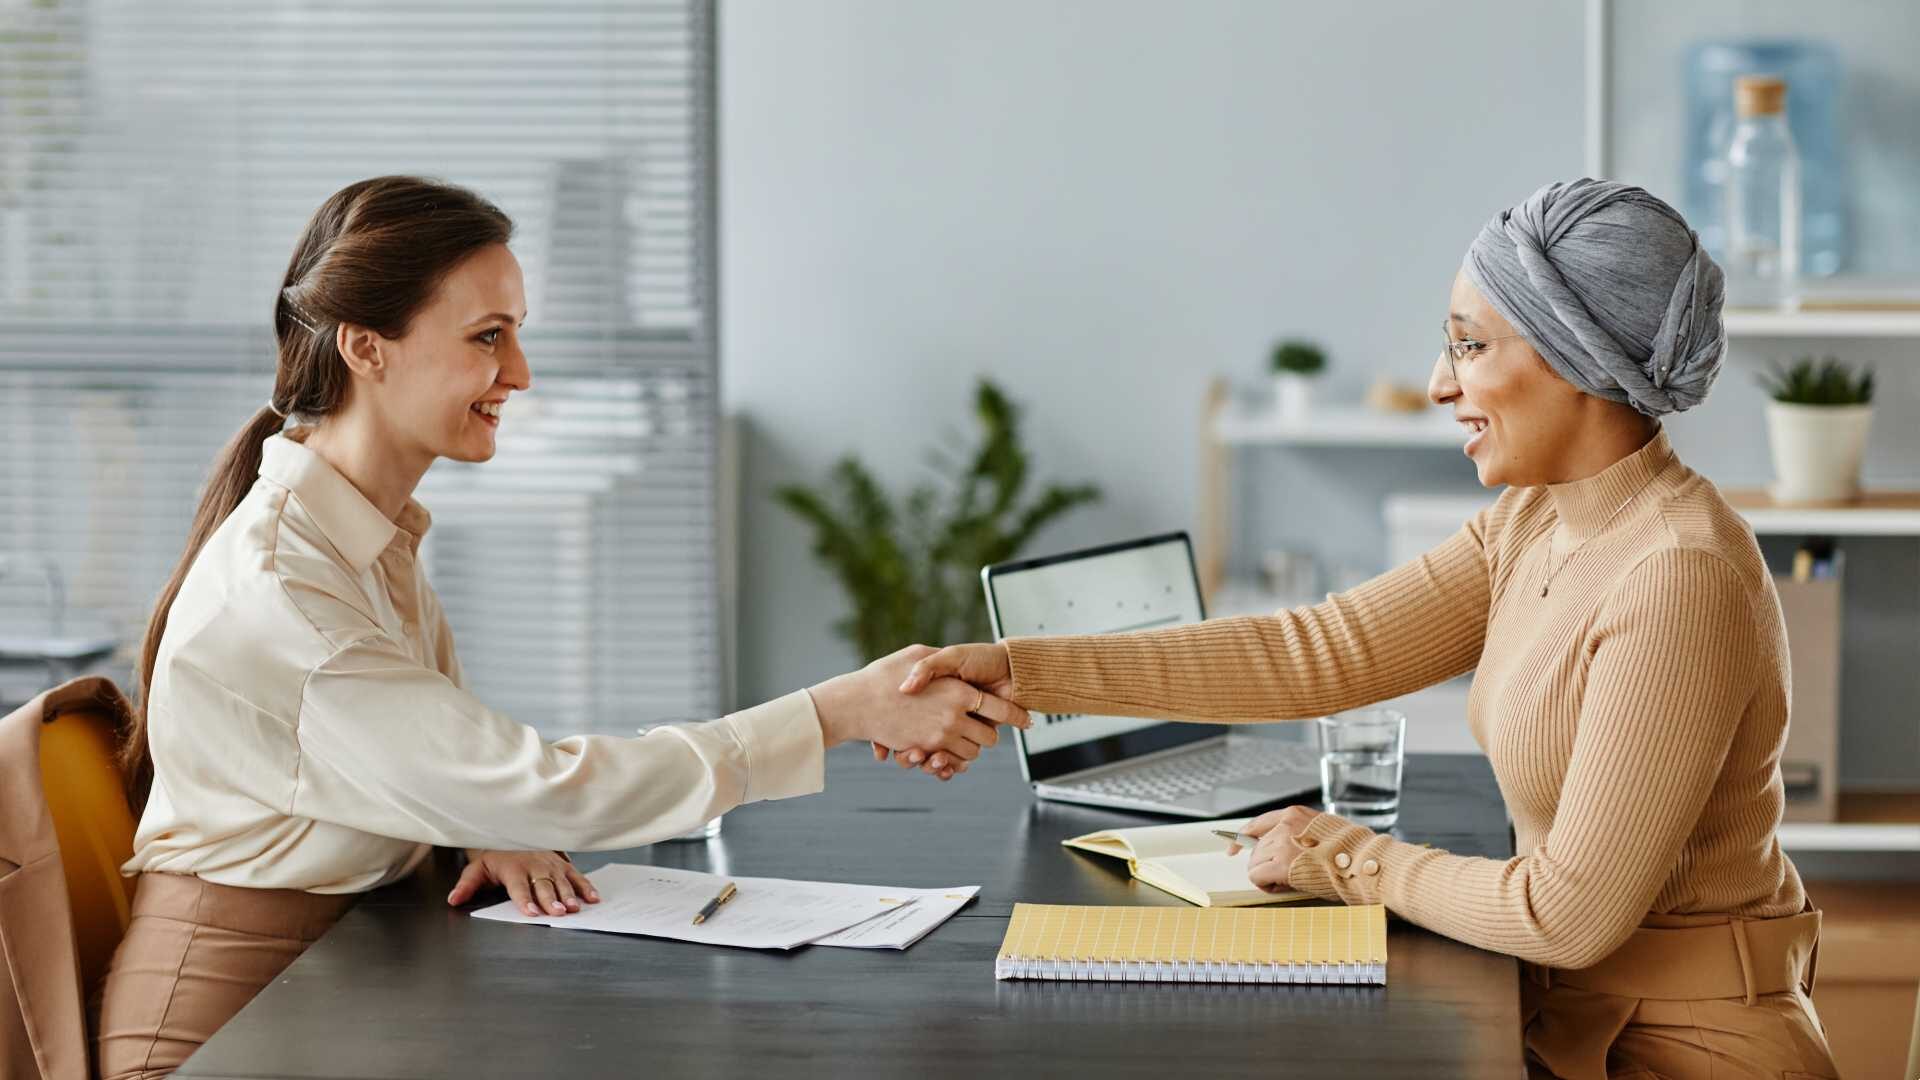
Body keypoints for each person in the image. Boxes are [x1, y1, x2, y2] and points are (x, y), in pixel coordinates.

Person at [93, 175, 1029, 1080]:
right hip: (226, 1028)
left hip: (335, 971)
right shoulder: (285, 595)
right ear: (366, 348)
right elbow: (538, 785)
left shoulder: (365, 538)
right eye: (486, 337)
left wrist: (467, 819)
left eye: (517, 335)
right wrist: (835, 712)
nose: (520, 373)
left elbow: (408, 767)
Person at [899, 179, 1839, 1079]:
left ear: (1578, 359)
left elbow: (1568, 914)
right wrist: (1025, 670)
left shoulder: (1679, 575)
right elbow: (1315, 650)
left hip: (1692, 1050)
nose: (1439, 382)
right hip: (1567, 1023)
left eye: (1470, 346)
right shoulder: (1536, 520)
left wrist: (1344, 855)